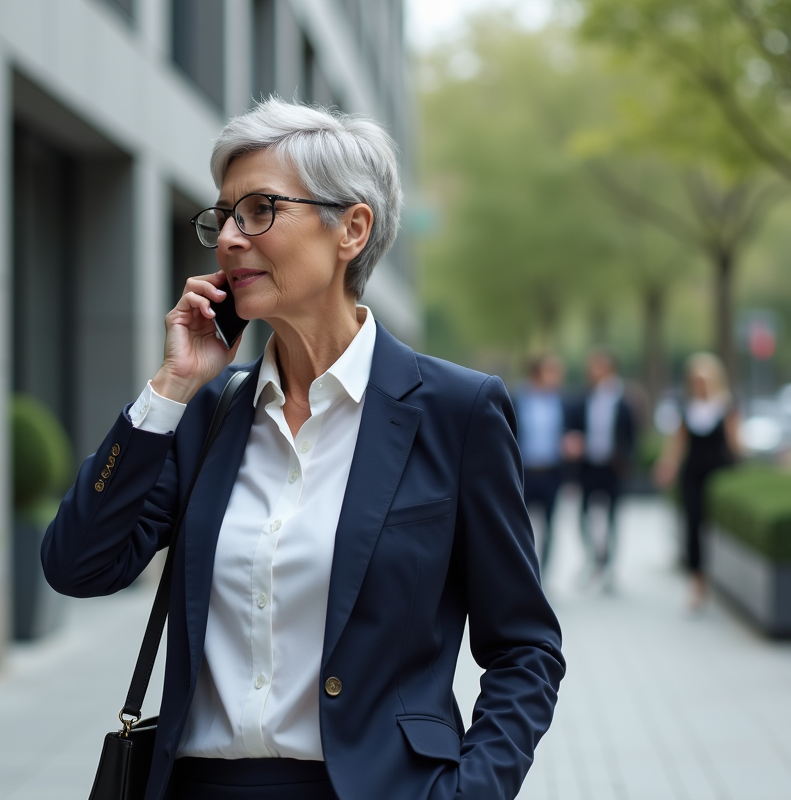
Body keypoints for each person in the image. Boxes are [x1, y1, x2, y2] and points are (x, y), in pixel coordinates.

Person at [41, 99, 564, 800]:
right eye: (222, 215)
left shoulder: (455, 412)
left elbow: (524, 647)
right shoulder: (207, 414)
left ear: (352, 227)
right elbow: (79, 566)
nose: (229, 238)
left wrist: (472, 792)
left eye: (259, 209)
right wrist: (170, 388)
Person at [653, 353, 741, 610]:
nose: (700, 383)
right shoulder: (686, 408)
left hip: (720, 474)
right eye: (696, 379)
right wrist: (667, 465)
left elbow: (736, 444)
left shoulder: (726, 406)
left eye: (704, 378)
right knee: (692, 525)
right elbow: (678, 443)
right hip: (692, 474)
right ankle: (697, 583)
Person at [563, 350, 636, 592]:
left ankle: (609, 566)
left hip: (613, 467)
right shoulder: (582, 399)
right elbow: (572, 428)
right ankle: (594, 558)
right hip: (587, 466)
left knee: (613, 518)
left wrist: (627, 462)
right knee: (583, 515)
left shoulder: (624, 401)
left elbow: (632, 436)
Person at [514, 354, 567, 577]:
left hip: (551, 472)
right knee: (518, 526)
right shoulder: (517, 399)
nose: (557, 378)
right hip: (523, 472)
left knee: (549, 527)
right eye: (552, 372)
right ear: (537, 373)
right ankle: (521, 572)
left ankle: (541, 574)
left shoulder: (562, 402)